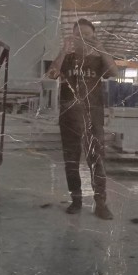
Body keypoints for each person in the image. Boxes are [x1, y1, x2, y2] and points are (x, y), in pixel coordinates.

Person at [47, 18, 118, 220]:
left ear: (94, 36)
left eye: (87, 35)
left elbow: (114, 72)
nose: (83, 38)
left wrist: (101, 48)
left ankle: (101, 203)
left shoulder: (98, 59)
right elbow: (52, 74)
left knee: (97, 161)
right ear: (73, 37)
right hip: (69, 118)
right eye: (79, 35)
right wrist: (64, 50)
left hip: (93, 118)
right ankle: (76, 200)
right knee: (71, 161)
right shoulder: (67, 58)